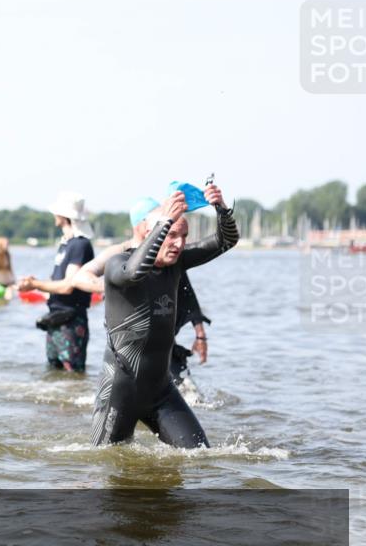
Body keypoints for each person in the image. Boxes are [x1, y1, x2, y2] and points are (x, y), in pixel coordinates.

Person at [89, 184, 238, 448]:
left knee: (201, 456)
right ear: (152, 233)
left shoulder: (176, 264)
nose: (179, 244)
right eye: (172, 235)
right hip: (119, 392)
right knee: (105, 462)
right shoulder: (117, 265)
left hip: (161, 391)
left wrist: (221, 208)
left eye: (184, 236)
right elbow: (135, 272)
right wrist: (165, 220)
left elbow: (226, 240)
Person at [69, 198, 212, 389]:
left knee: (187, 392)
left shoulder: (168, 255)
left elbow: (187, 294)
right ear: (143, 224)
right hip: (131, 345)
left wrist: (200, 334)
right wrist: (115, 286)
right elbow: (78, 278)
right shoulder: (120, 252)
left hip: (163, 341)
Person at [17, 192, 95, 372]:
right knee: (54, 373)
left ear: (64, 215)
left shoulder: (80, 245)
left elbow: (68, 286)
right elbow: (56, 281)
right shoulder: (66, 244)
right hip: (56, 317)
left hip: (72, 320)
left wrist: (35, 284)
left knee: (73, 373)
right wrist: (32, 283)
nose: (54, 214)